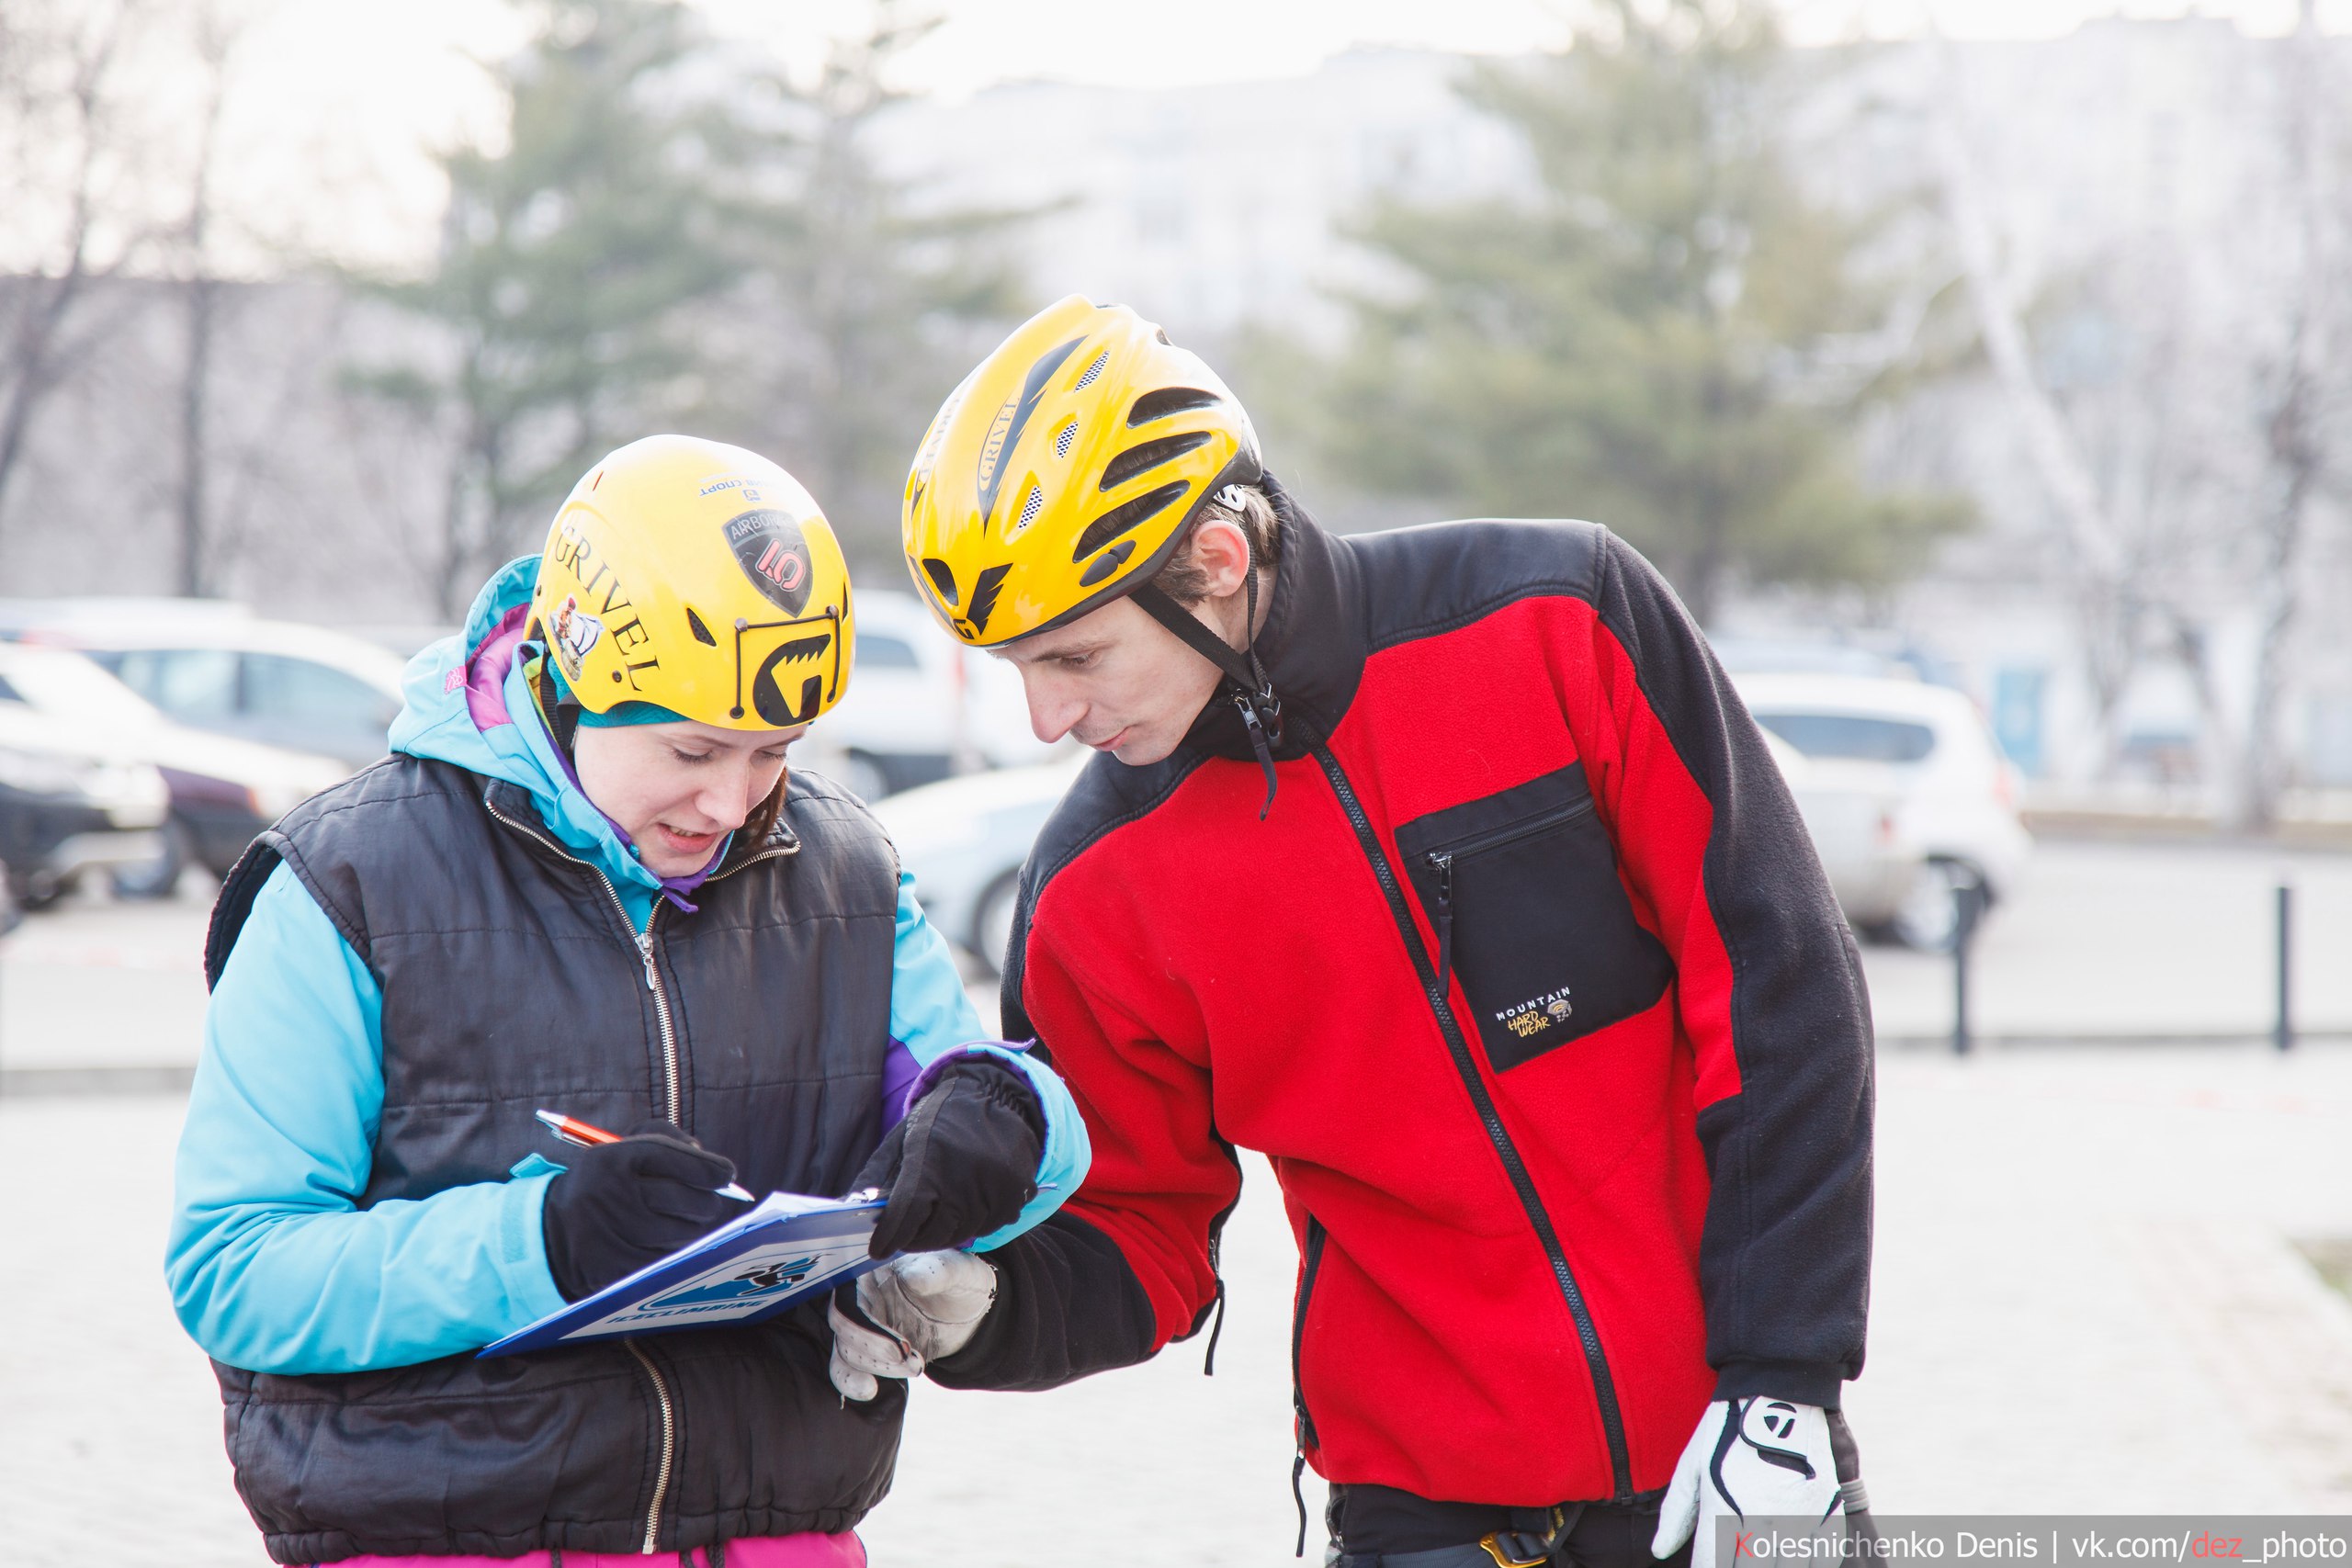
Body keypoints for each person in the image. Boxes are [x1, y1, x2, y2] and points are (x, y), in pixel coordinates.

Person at [827, 298, 1876, 1567]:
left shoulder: (1563, 619)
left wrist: (1787, 1376)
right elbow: (1138, 1229)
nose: (1047, 714)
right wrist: (984, 1309)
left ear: (1216, 556)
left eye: (1076, 654)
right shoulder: (1089, 891)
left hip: (1737, 1455)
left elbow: (1781, 980)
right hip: (1422, 1521)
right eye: (1017, 667)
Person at [166, 434, 1090, 1566]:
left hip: (776, 1533)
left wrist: (1013, 1121)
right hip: (448, 1538)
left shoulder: (846, 872)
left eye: (773, 754)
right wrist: (540, 1241)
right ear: (566, 678)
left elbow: (993, 1129)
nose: (730, 801)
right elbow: (236, 1269)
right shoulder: (350, 881)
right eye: (691, 748)